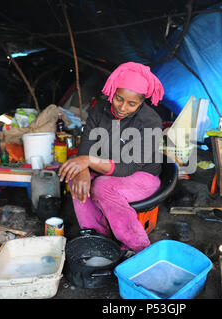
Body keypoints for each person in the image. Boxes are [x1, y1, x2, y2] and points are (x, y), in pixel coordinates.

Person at [58, 62, 165, 253]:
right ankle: (97, 237)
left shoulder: (150, 121)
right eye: (118, 99)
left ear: (141, 103)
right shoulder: (100, 110)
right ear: (112, 93)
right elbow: (87, 145)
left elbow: (127, 168)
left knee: (102, 187)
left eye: (132, 104)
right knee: (74, 175)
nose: (123, 107)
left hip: (142, 176)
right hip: (106, 169)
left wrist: (88, 161)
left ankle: (138, 246)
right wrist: (82, 169)